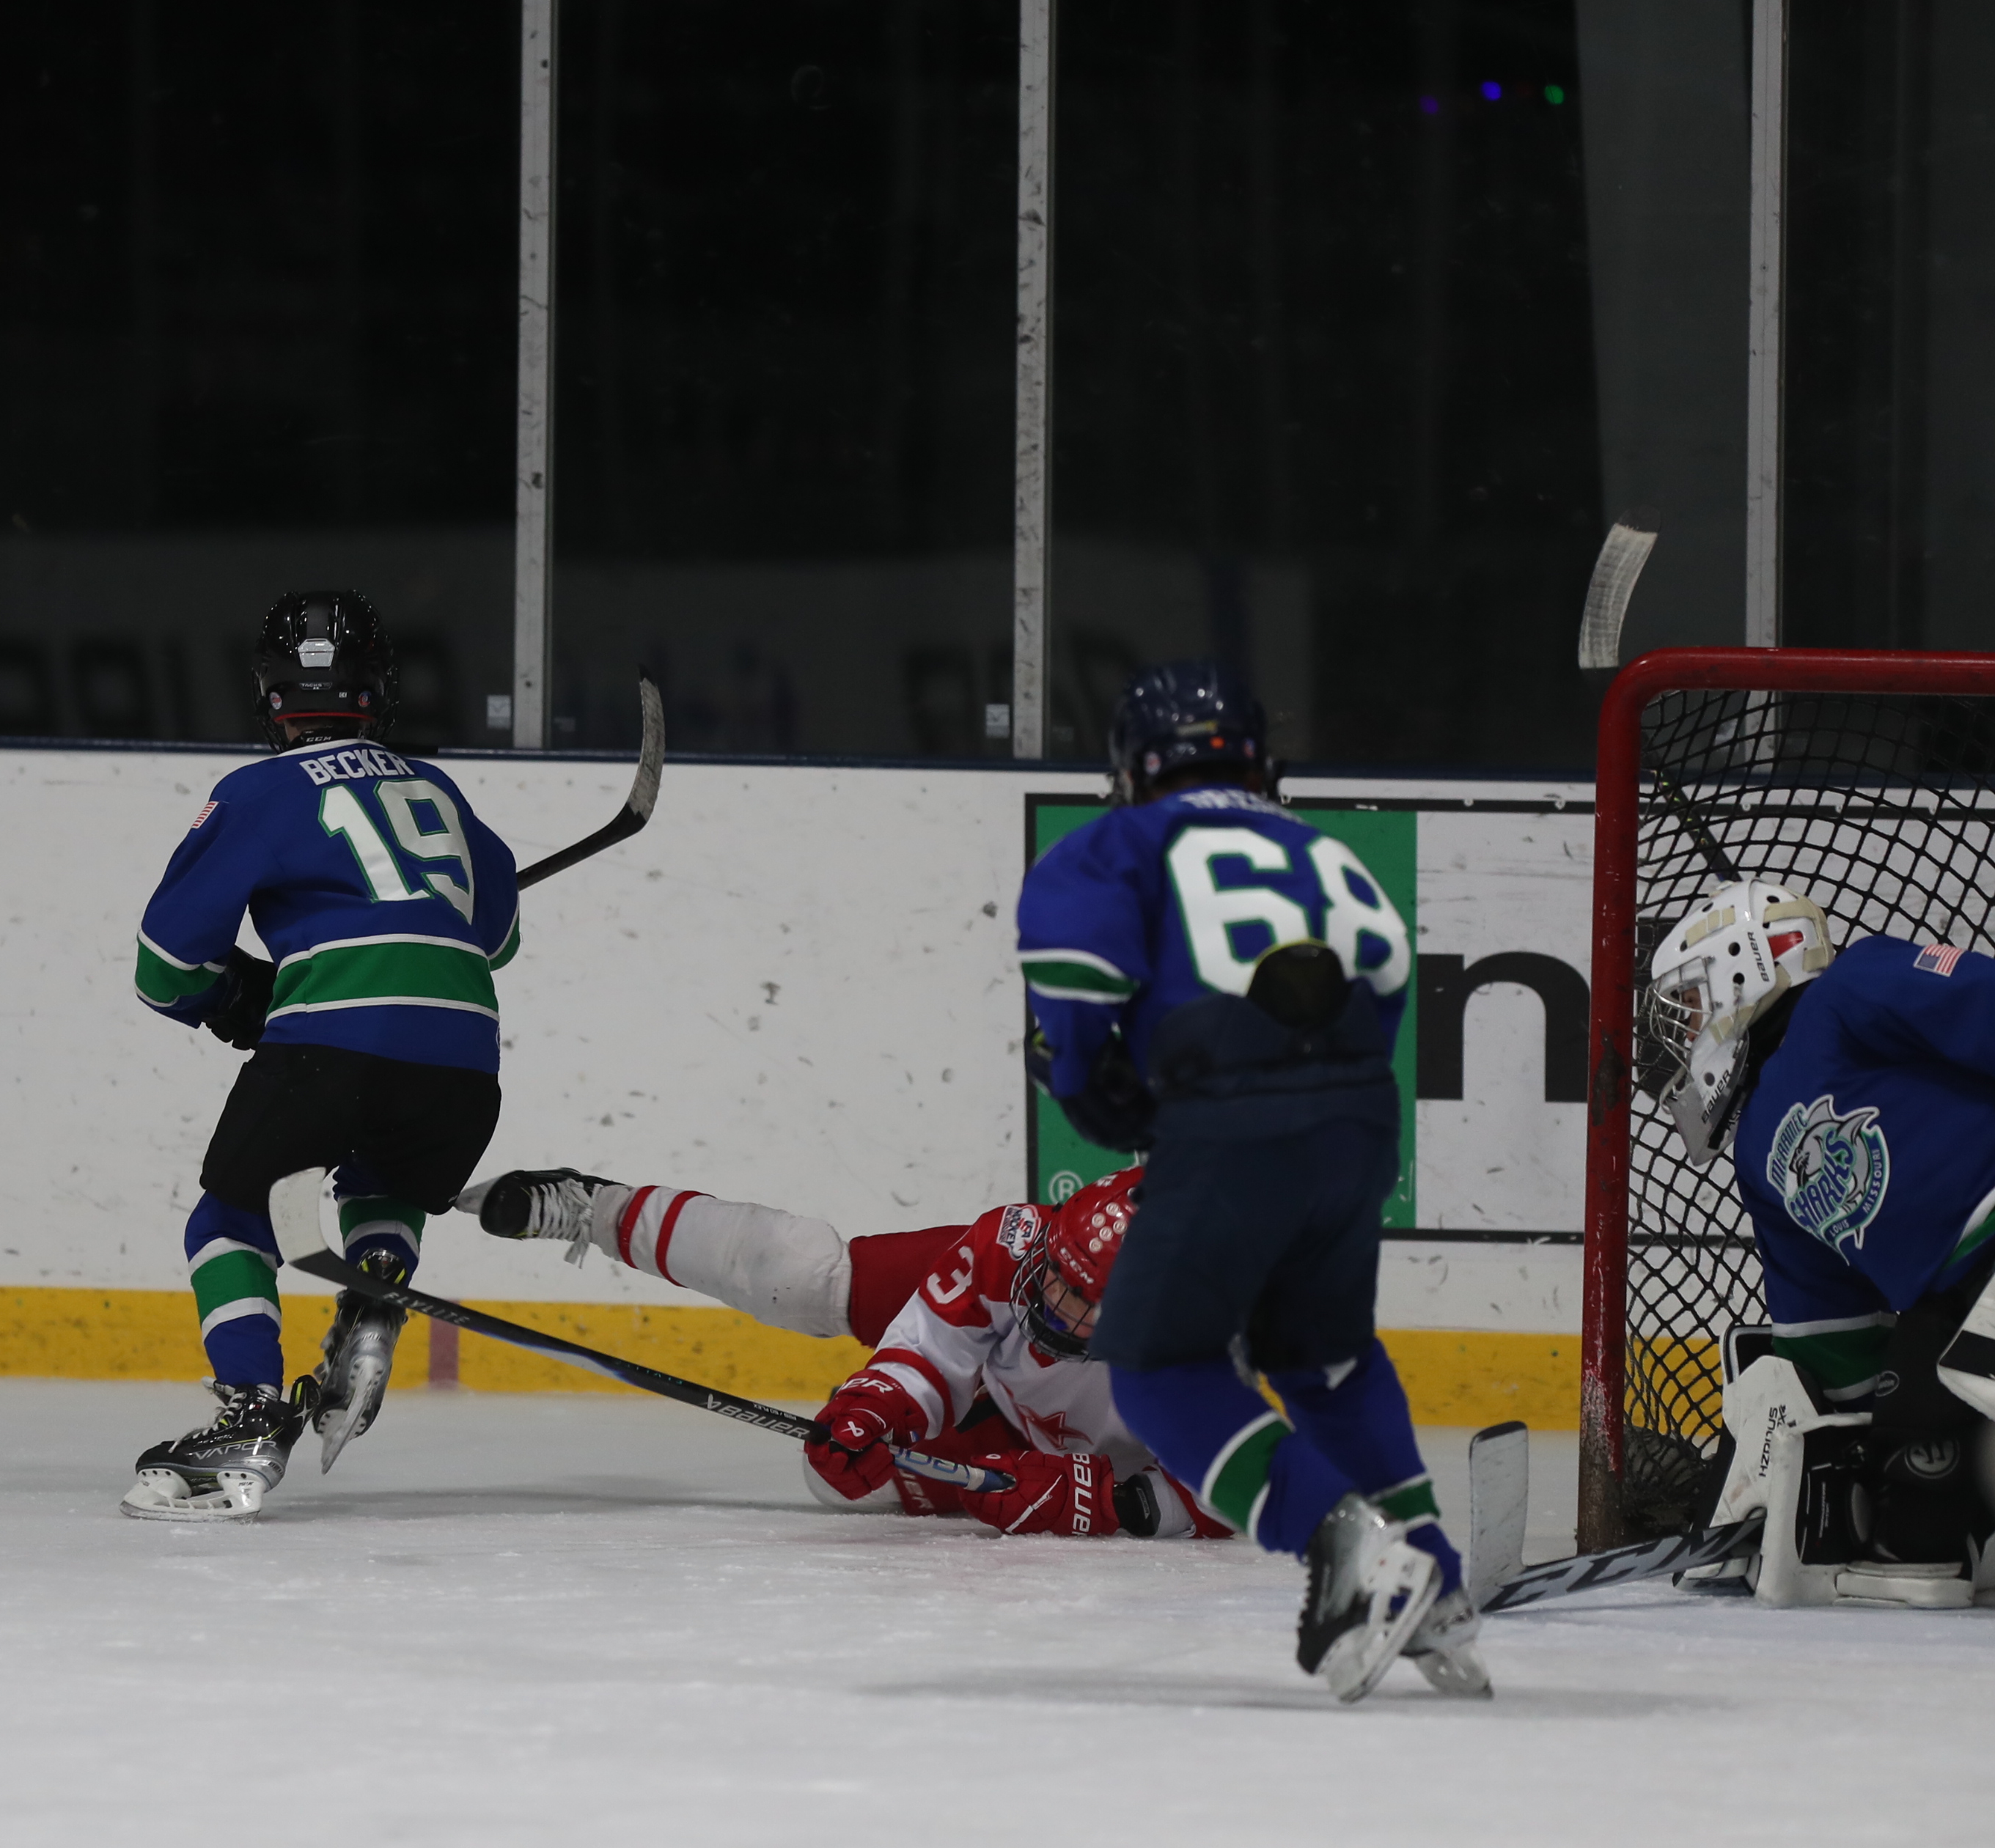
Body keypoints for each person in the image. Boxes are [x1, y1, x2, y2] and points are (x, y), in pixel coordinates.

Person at [1014, 660, 1485, 1699]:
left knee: (1159, 1369)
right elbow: (1385, 984)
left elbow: (1077, 995)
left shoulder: (1116, 843)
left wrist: (1088, 1083)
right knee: (1325, 1360)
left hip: (1235, 1126)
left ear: (1135, 767)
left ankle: (1351, 1553)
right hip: (1359, 1122)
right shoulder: (1324, 851)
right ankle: (1436, 1578)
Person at [120, 590, 523, 1522]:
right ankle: (375, 1285)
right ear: (379, 689)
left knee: (229, 1220)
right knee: (383, 1173)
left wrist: (232, 996)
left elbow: (163, 968)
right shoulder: (439, 788)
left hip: (331, 1043)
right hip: (465, 1057)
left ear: (270, 693)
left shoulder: (258, 790)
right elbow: (496, 940)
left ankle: (249, 1414)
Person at [460, 1164, 1230, 1539]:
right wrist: (878, 1400)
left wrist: (1118, 1505)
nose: (1048, 1297)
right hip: (1015, 1397)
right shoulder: (1018, 1248)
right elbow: (933, 1345)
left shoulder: (1229, 1354)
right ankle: (597, 1209)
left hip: (1067, 1448)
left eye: (1079, 1296)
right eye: (1054, 1271)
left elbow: (1259, 1480)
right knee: (803, 1277)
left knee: (845, 1488)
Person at [1643, 881, 1995, 1591]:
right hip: (1958, 1298)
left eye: (1689, 1008)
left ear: (1741, 967)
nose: (1685, 1040)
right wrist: (1773, 1466)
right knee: (1913, 1491)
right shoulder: (1756, 1157)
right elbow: (1833, 1350)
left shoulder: (1852, 987)